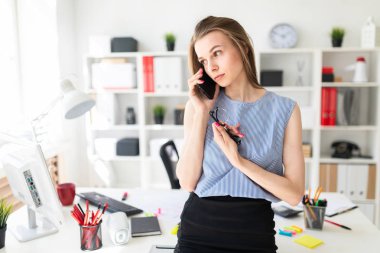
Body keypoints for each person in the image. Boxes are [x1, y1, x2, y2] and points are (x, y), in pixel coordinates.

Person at [175, 16, 305, 253]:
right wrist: (203, 111)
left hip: (254, 235)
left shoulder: (285, 110)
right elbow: (186, 181)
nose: (211, 67)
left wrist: (239, 161)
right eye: (203, 60)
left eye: (217, 53)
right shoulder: (198, 106)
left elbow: (294, 194)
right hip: (197, 233)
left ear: (242, 46)